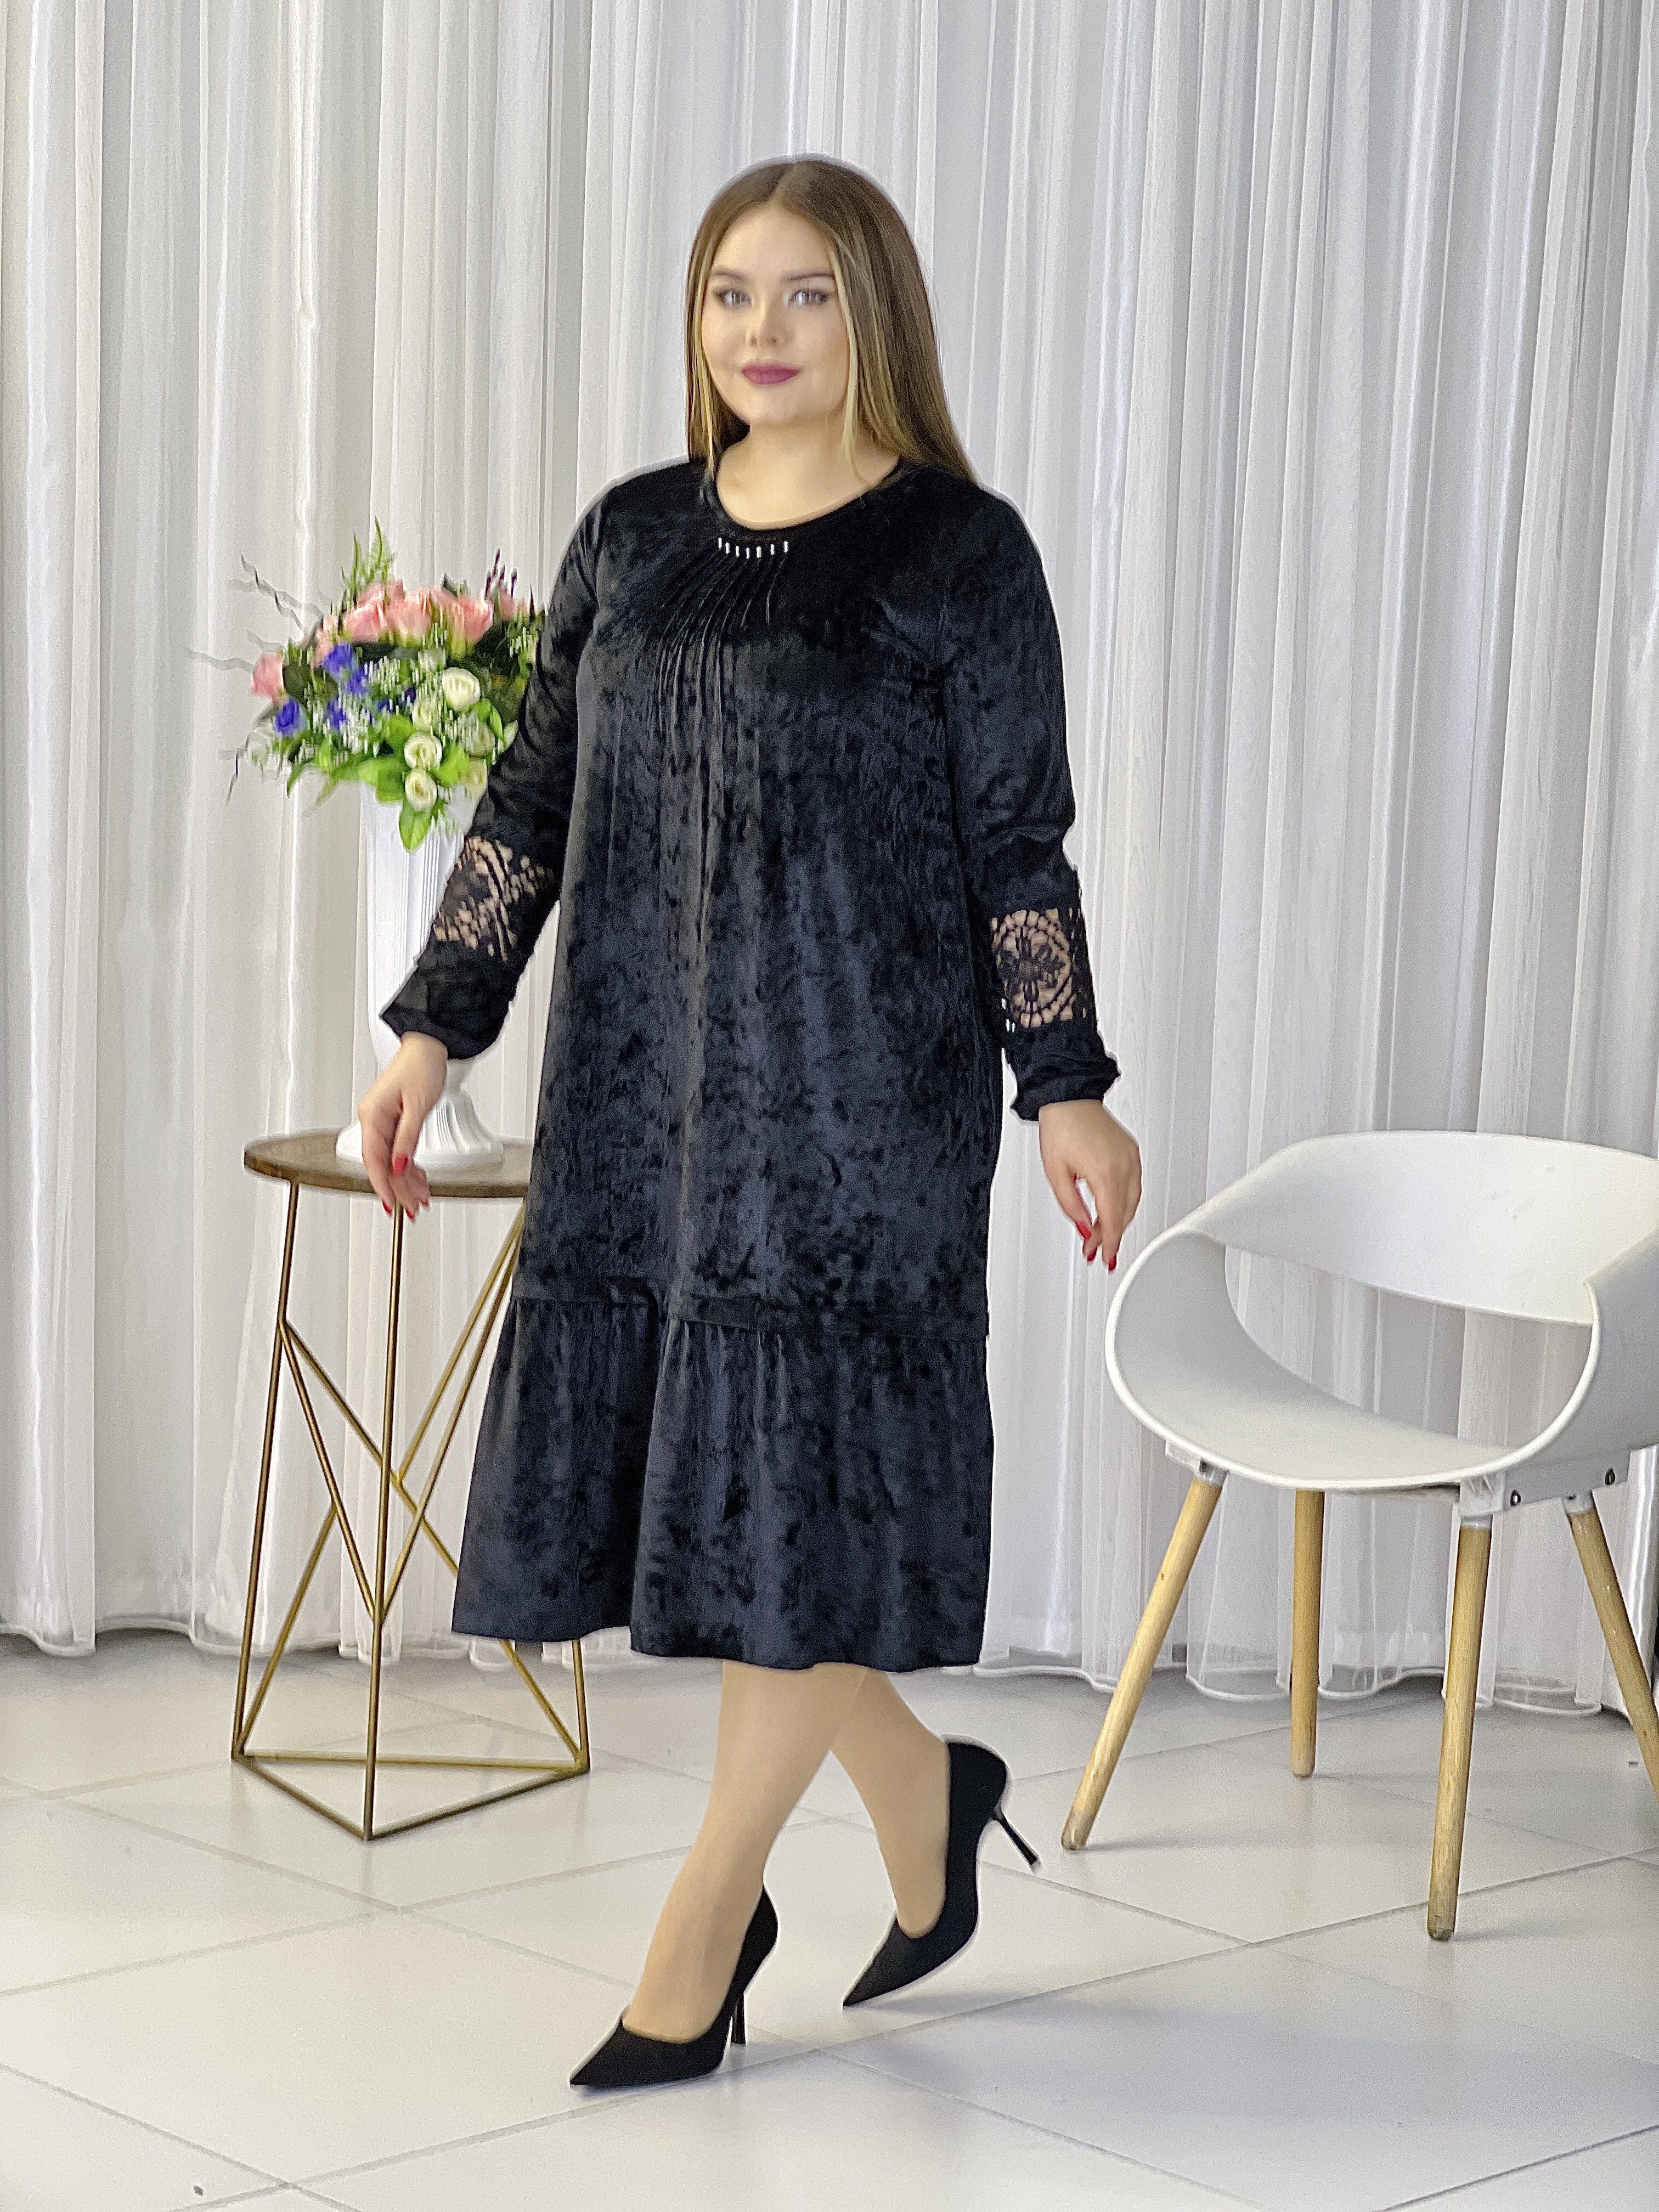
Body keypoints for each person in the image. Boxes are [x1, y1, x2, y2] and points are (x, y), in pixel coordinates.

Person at [357, 155, 1142, 2090]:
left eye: (805, 294)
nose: (760, 331)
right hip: (649, 1098)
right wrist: (432, 1034)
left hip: (866, 1107)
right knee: (747, 1530)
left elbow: (1017, 845)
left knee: (795, 1497)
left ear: (877, 313)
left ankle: (700, 1935)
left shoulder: (961, 554)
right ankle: (931, 1800)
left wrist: (1067, 1085)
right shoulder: (630, 537)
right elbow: (530, 805)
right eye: (729, 292)